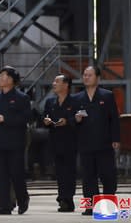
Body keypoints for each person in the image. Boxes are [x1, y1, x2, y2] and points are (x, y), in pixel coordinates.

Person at [73, 65, 120, 216]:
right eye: (84, 75)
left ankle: (109, 206)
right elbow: (71, 121)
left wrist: (116, 138)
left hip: (104, 143)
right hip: (85, 143)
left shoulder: (107, 96)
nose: (86, 77)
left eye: (89, 75)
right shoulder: (77, 98)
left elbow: (114, 119)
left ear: (98, 78)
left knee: (108, 176)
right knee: (88, 177)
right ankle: (90, 206)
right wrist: (76, 119)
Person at [0, 65, 31, 215]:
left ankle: (22, 199)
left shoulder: (21, 98)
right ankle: (4, 205)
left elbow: (26, 118)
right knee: (0, 176)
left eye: (3, 76)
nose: (0, 78)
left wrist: (6, 119)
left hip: (15, 143)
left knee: (16, 173)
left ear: (12, 80)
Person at [43, 74, 78, 212]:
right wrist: (46, 121)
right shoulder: (50, 102)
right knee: (59, 172)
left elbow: (78, 117)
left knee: (69, 171)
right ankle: (62, 197)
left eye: (57, 81)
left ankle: (67, 199)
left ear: (66, 85)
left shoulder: (74, 101)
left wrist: (67, 121)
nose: (54, 84)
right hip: (55, 141)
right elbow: (45, 115)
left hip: (70, 141)